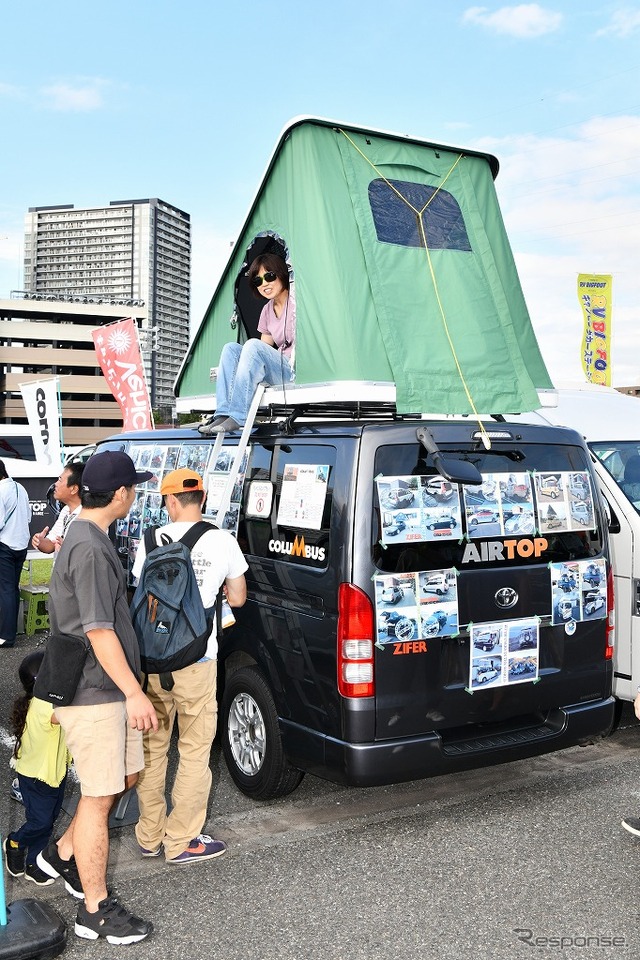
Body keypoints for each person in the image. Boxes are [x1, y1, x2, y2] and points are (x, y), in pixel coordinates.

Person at [38, 450, 159, 945]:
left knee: (124, 777)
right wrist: (134, 691)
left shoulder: (90, 536)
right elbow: (98, 630)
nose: (137, 494)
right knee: (98, 795)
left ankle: (62, 854)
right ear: (122, 494)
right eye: (135, 488)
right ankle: (95, 910)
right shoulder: (88, 547)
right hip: (96, 689)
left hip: (104, 686)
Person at [131, 467, 248, 864]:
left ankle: (149, 835)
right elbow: (238, 598)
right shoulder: (222, 540)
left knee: (152, 747)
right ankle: (180, 841)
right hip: (198, 659)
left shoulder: (147, 541)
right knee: (195, 750)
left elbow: (141, 595)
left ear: (170, 501)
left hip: (151, 661)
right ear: (203, 499)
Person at [199, 253, 296, 435]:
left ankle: (237, 416)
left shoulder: (298, 302)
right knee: (231, 349)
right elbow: (263, 350)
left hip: (296, 371)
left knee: (251, 345)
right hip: (278, 368)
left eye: (269, 276)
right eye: (258, 281)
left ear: (282, 274)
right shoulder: (267, 310)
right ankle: (223, 412)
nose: (264, 284)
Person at [4, 651, 73, 887]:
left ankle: (34, 863)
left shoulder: (44, 699)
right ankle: (14, 842)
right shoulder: (46, 706)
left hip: (53, 773)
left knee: (48, 818)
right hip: (37, 777)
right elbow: (71, 714)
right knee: (41, 821)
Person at [0, 459, 32, 648]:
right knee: (11, 589)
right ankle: (8, 634)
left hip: (4, 545)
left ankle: (6, 637)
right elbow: (28, 516)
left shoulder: (0, 491)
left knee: (5, 590)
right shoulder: (20, 487)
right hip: (20, 545)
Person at [32, 461, 84, 555]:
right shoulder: (66, 510)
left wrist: (69, 549)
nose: (55, 484)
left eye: (60, 480)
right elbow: (51, 544)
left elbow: (88, 554)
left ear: (74, 489)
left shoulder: (88, 516)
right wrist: (40, 542)